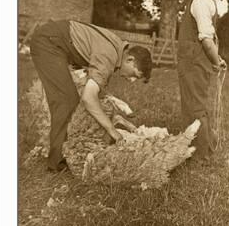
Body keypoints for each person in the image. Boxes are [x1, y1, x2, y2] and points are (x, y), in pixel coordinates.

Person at [30, 19, 152, 171]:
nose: (132, 80)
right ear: (130, 59)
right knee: (66, 101)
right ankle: (56, 162)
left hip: (56, 40)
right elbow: (89, 98)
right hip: (49, 43)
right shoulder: (108, 57)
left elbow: (96, 89)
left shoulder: (117, 48)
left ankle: (64, 150)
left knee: (72, 98)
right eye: (135, 74)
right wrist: (112, 130)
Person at [168, 0, 226, 160]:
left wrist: (216, 61)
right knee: (195, 105)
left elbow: (206, 38)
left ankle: (202, 156)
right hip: (193, 62)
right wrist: (217, 58)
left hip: (195, 64)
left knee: (196, 107)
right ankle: (198, 149)